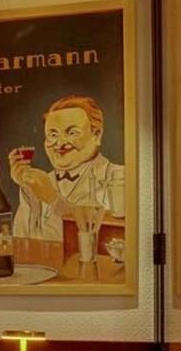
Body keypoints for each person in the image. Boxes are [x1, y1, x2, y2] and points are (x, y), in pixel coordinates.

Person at [8, 95, 125, 242]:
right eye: (53, 134)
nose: (60, 143)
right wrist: (27, 189)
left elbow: (106, 241)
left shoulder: (120, 177)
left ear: (97, 135)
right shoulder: (41, 181)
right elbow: (22, 241)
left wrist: (53, 199)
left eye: (71, 132)